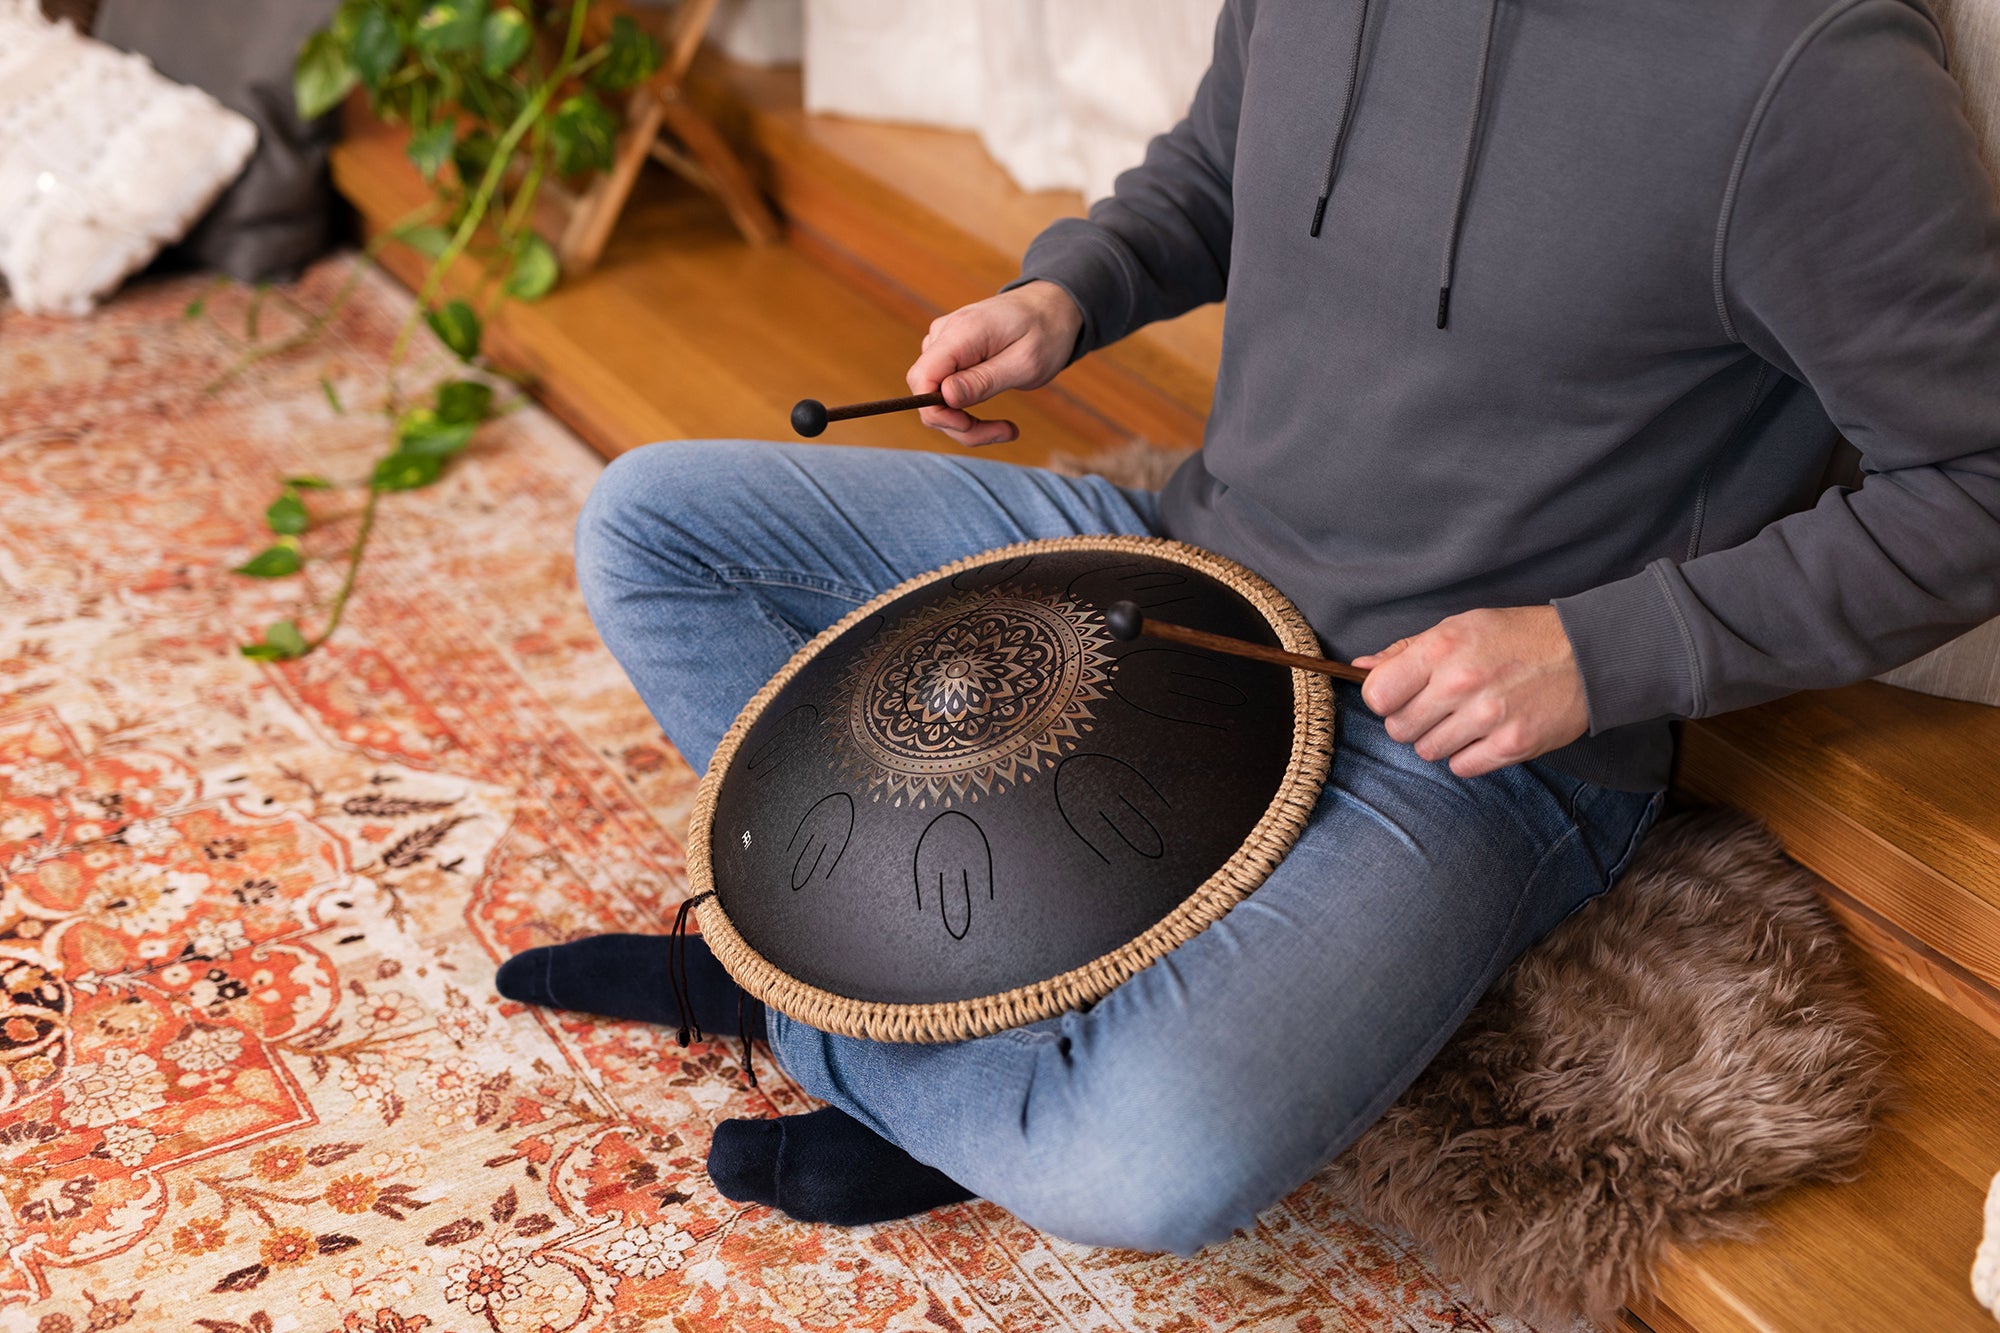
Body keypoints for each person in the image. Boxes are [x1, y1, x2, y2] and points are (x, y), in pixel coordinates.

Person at [496, 0, 2000, 1255]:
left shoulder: (1812, 75)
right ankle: (910, 993)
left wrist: (1605, 647)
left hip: (1463, 736)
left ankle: (801, 987)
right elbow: (1222, 166)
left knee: (1137, 1163)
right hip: (1182, 568)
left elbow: (1979, 482)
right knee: (651, 529)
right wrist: (1070, 291)